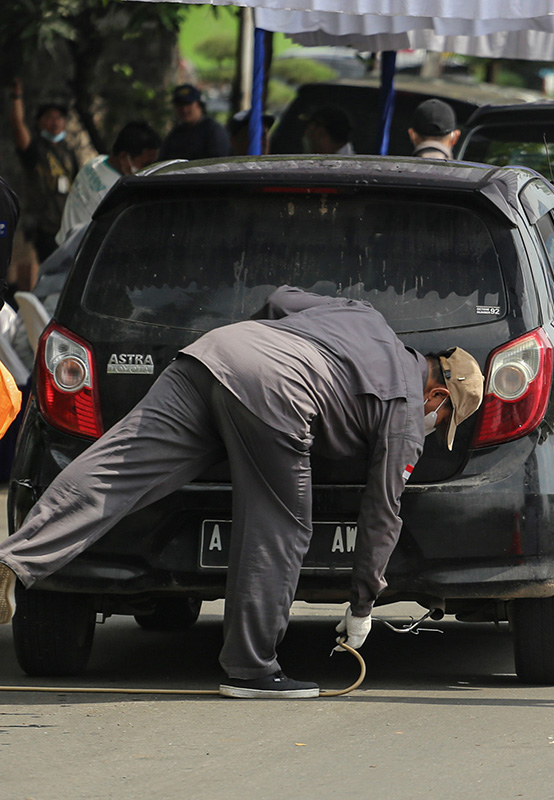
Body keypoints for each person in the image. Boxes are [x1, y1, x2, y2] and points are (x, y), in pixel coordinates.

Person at [0, 286, 484, 698]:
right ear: (438, 396)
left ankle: (16, 558)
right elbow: (382, 515)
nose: (433, 426)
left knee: (119, 468)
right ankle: (251, 670)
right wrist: (361, 608)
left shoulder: (364, 315)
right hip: (278, 389)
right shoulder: (405, 410)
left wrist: (242, 367)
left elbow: (279, 299)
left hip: (216, 353)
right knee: (283, 525)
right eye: (442, 420)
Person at [8, 78, 81, 261]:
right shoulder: (34, 149)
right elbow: (18, 126)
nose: (55, 122)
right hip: (44, 227)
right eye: (49, 117)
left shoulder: (69, 152)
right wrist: (16, 97)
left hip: (68, 225)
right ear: (40, 122)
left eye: (59, 117)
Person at [55, 121, 161, 246]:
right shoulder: (116, 192)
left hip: (63, 246)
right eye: (145, 164)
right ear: (124, 157)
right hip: (79, 256)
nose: (150, 170)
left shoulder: (94, 163)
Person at [160, 84, 231, 161]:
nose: (184, 109)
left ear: (198, 105)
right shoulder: (176, 133)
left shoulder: (213, 131)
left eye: (188, 104)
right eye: (179, 105)